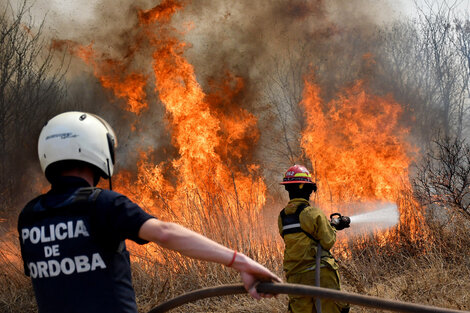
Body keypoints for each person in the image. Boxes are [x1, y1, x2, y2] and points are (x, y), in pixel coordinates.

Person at [18, 111, 280, 313]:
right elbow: (165, 233)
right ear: (98, 148)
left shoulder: (29, 216)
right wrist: (241, 261)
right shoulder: (103, 204)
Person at [278, 165, 349, 313]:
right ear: (307, 189)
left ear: (287, 189)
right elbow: (327, 241)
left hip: (295, 276)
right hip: (320, 273)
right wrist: (334, 227)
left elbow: (300, 236)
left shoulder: (282, 216)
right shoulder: (313, 213)